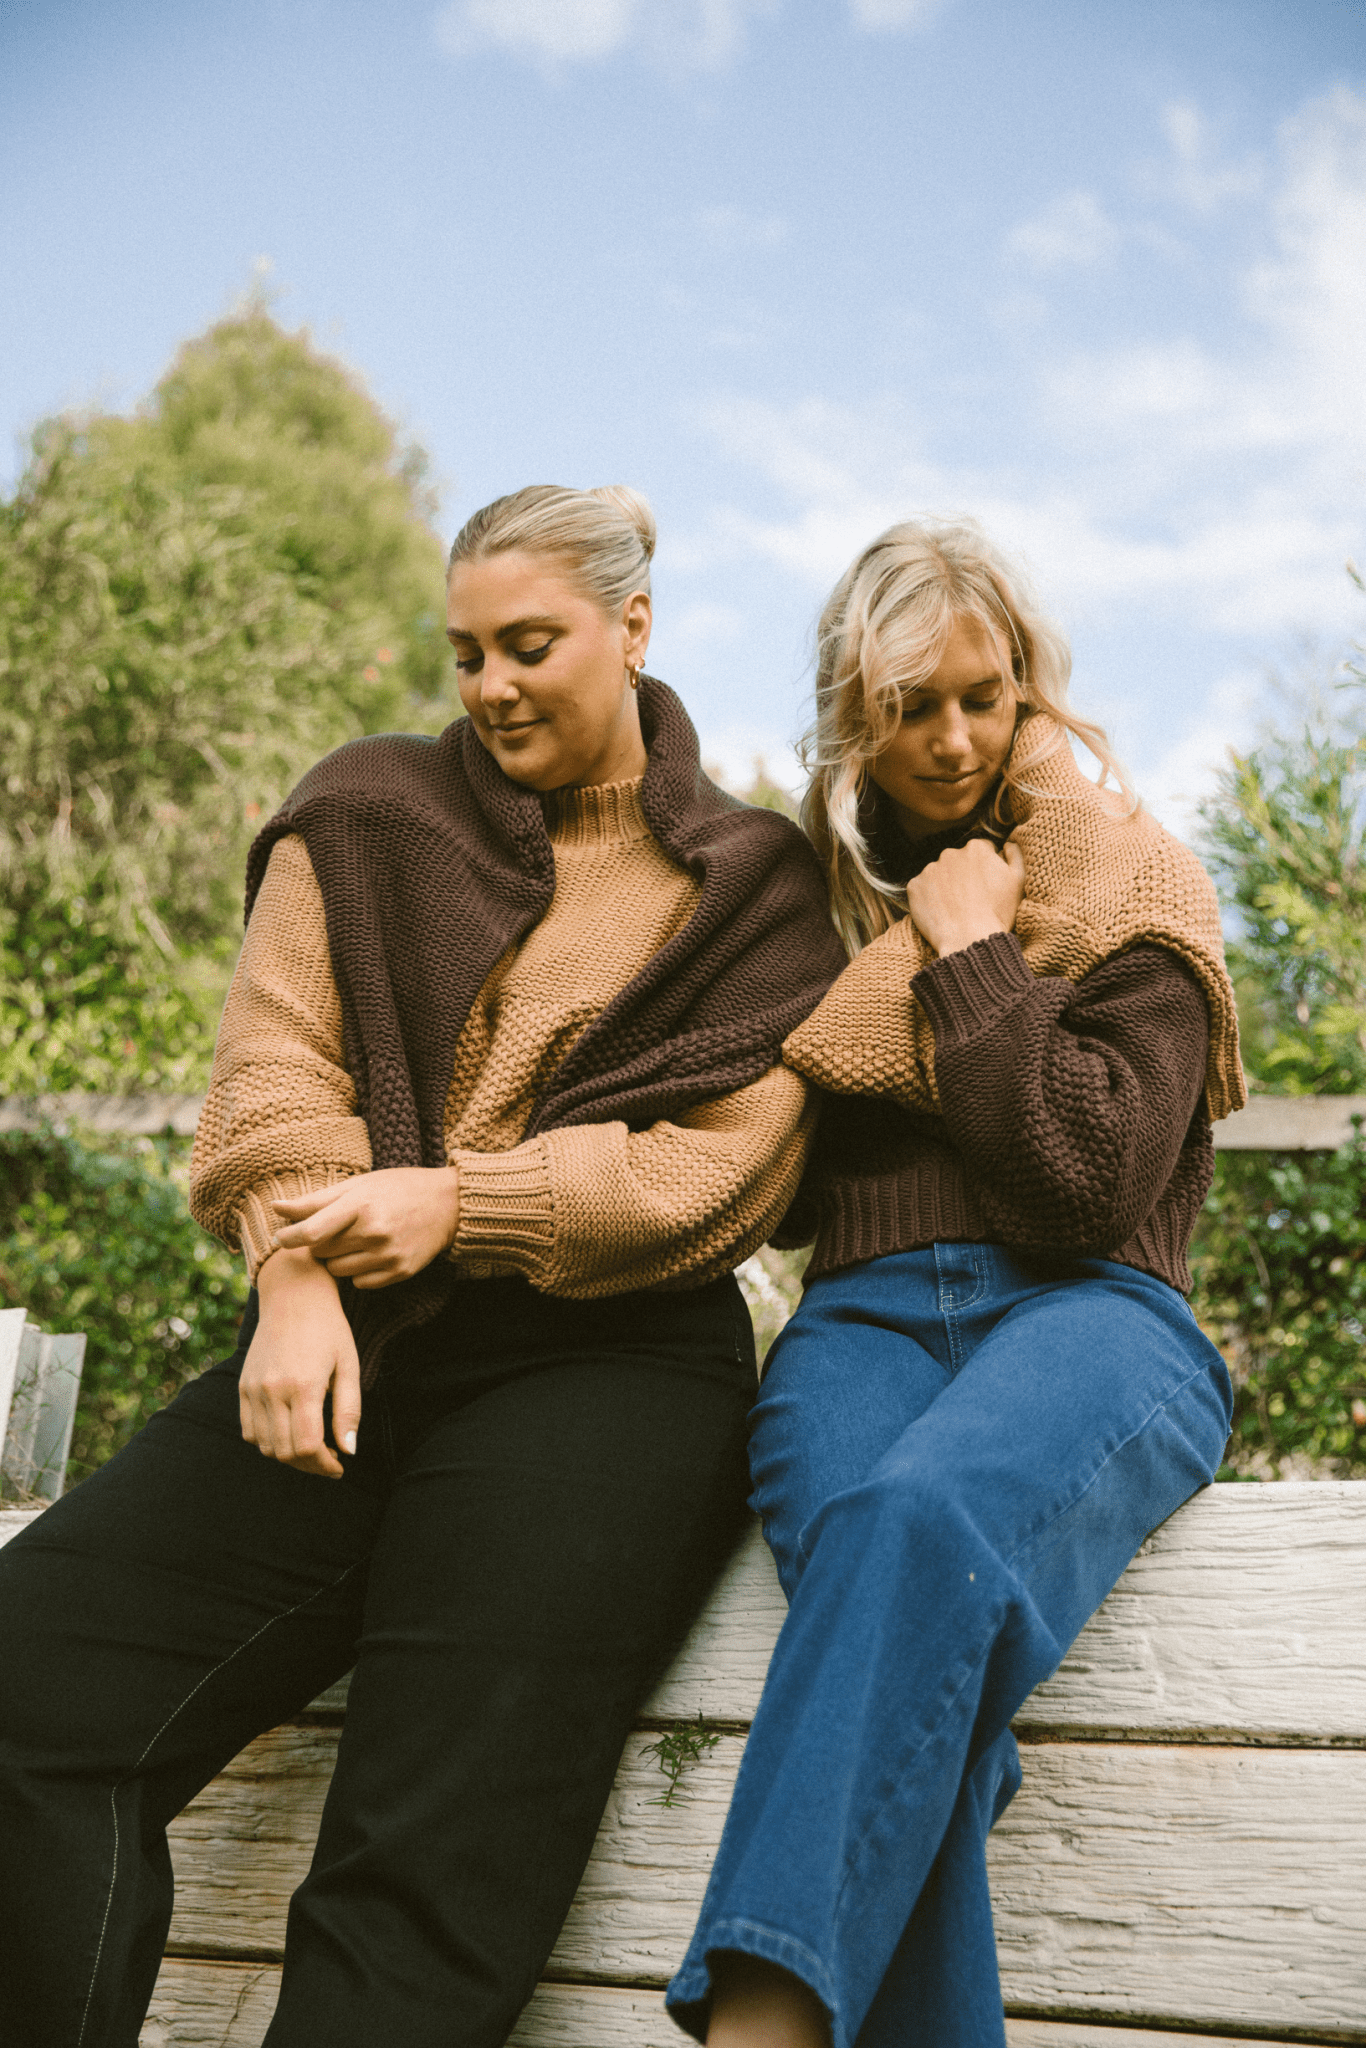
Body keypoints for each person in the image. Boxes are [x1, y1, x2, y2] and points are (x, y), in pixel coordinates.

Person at [0, 484, 848, 2048]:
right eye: (465, 654)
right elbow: (275, 1064)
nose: (490, 686)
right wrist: (294, 1276)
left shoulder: (754, 883)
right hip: (341, 1331)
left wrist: (462, 1206)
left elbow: (722, 1174)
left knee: (424, 1862)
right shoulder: (366, 809)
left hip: (610, 1367)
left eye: (529, 646)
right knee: (27, 1692)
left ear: (633, 628)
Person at [666, 519, 1245, 2048]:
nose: (951, 737)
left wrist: (974, 952)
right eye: (907, 705)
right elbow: (749, 1165)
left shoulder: (1125, 875)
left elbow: (1082, 1188)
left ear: (1026, 684)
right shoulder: (800, 911)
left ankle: (753, 2026)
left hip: (1094, 1316)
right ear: (851, 715)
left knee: (907, 1526)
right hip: (856, 1325)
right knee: (924, 1691)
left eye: (981, 695)